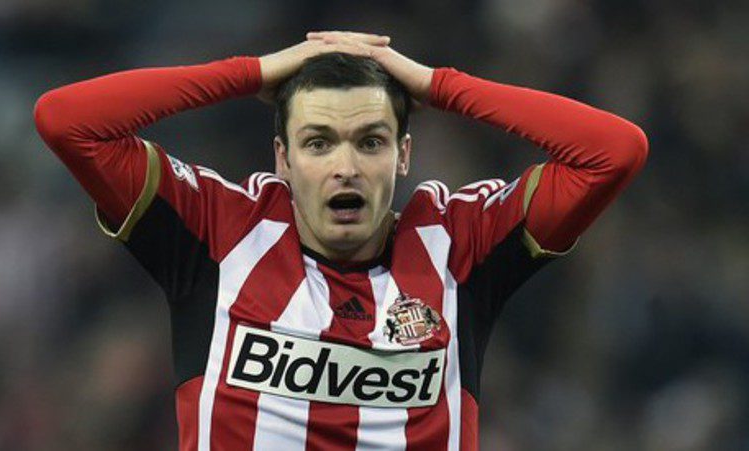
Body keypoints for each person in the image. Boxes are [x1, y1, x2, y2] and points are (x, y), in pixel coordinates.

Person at [34, 31, 648, 451]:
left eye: (371, 142)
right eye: (318, 142)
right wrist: (253, 72)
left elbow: (612, 152)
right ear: (283, 158)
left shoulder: (459, 246)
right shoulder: (219, 232)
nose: (345, 167)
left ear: (404, 155)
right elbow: (68, 121)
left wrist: (437, 85)